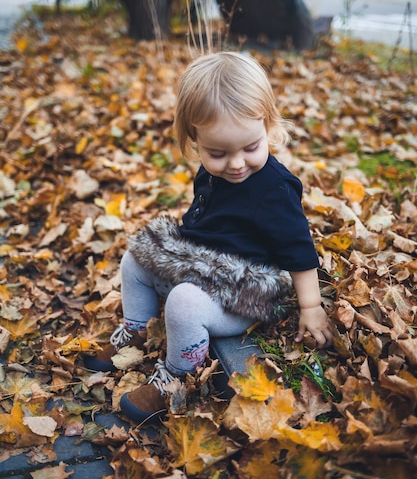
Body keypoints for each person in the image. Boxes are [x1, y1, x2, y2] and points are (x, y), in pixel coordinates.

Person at [84, 51, 333, 423]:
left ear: (267, 126)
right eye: (217, 153)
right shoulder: (211, 172)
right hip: (204, 268)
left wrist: (310, 306)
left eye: (251, 148)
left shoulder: (274, 188)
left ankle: (178, 377)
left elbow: (299, 249)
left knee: (184, 301)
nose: (235, 164)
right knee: (134, 259)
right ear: (194, 139)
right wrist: (175, 256)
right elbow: (206, 221)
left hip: (246, 290)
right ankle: (136, 332)